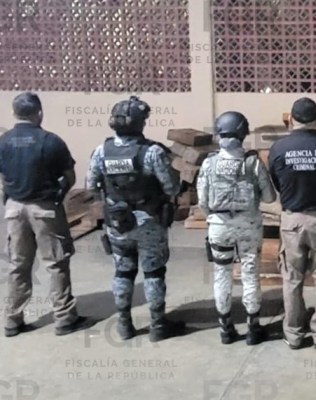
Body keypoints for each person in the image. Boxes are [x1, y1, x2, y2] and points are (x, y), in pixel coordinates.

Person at [86, 95, 185, 343]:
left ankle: (124, 324)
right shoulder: (152, 152)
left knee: (123, 271)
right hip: (149, 221)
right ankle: (158, 325)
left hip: (117, 222)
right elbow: (172, 187)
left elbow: (91, 186)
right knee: (153, 272)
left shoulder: (101, 151)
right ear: (141, 123)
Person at [0, 92, 94, 337]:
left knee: (18, 264)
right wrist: (59, 195)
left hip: (14, 209)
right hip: (45, 209)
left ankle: (12, 320)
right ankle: (64, 318)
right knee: (56, 263)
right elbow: (70, 176)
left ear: (13, 113)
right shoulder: (51, 141)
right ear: (39, 113)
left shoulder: (4, 141)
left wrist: (9, 196)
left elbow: (2, 177)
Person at [268, 97, 316, 350]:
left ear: (291, 119)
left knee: (291, 277)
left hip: (291, 220)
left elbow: (277, 183)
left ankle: (293, 333)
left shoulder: (278, 148)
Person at [197, 111, 276, 345]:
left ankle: (226, 329)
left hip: (219, 226)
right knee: (250, 273)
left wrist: (214, 218)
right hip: (249, 226)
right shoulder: (252, 162)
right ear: (243, 134)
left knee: (222, 274)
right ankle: (253, 329)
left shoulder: (209, 163)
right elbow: (270, 197)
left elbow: (202, 201)